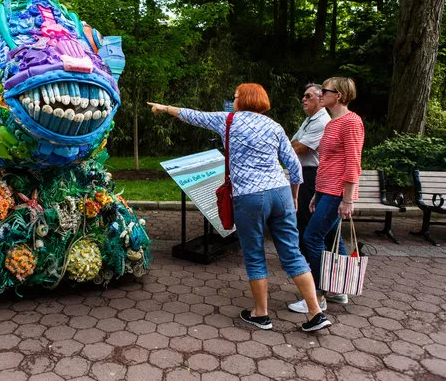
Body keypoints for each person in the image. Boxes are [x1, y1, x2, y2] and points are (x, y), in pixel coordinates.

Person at [148, 83, 331, 332]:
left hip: (250, 197)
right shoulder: (274, 126)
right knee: (292, 254)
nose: (232, 100)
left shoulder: (229, 121)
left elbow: (194, 116)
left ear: (243, 99)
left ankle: (261, 314)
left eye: (235, 96)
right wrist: (294, 195)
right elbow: (295, 167)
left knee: (255, 254)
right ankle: (315, 313)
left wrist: (165, 108)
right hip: (280, 194)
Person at [288, 77, 364, 314]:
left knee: (311, 237)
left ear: (338, 95)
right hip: (324, 190)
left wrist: (348, 199)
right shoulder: (332, 124)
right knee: (333, 238)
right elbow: (327, 162)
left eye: (324, 91)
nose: (320, 94)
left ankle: (317, 296)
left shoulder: (351, 122)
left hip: (337, 193)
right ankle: (339, 289)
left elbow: (353, 162)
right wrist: (316, 194)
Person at [291, 83, 330, 253]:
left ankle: (306, 256)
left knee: (305, 216)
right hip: (304, 172)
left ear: (321, 99)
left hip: (311, 174)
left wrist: (294, 145)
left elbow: (297, 148)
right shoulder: (309, 120)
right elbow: (292, 144)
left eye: (308, 96)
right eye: (304, 95)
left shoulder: (322, 122)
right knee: (301, 215)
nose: (303, 99)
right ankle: (305, 254)